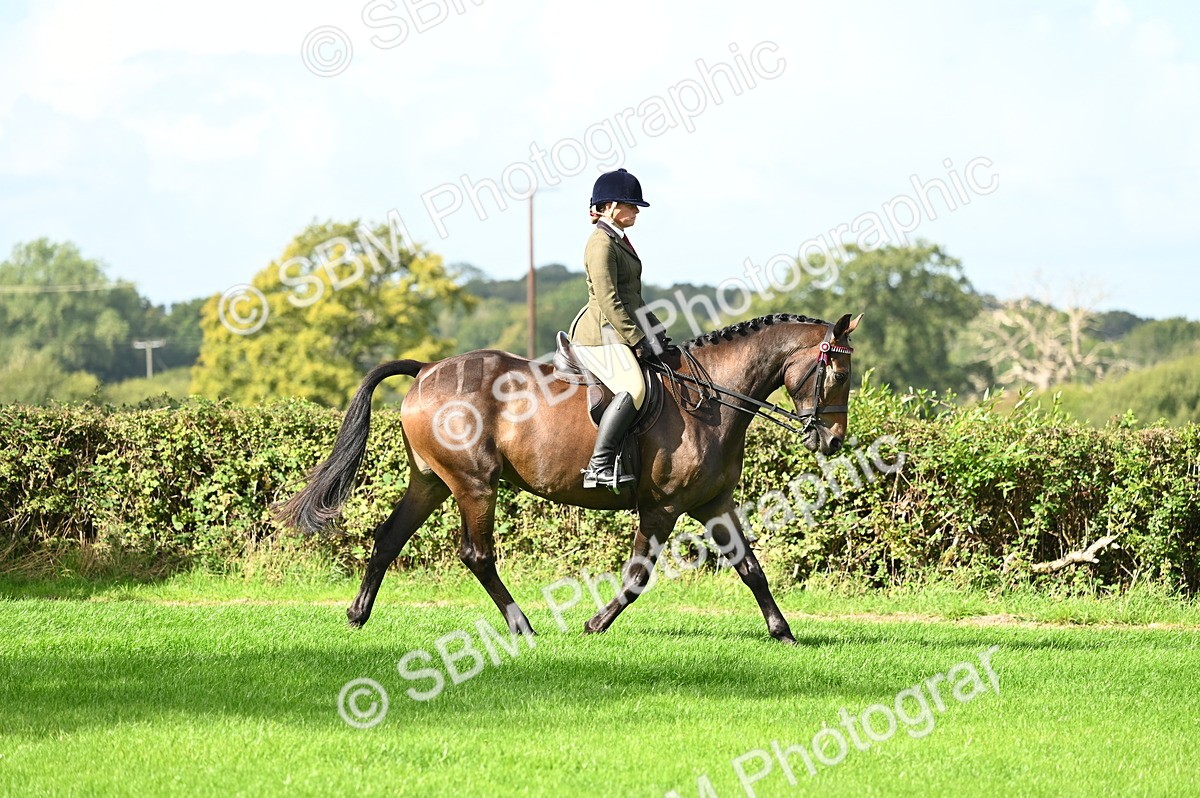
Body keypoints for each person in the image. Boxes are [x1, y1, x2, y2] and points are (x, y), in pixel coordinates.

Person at [568, 167, 667, 491]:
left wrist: (655, 329)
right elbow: (610, 301)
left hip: (618, 329)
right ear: (611, 206)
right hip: (600, 334)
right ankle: (599, 465)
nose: (636, 211)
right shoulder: (601, 243)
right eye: (631, 204)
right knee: (634, 389)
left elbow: (631, 296)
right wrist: (638, 339)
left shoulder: (618, 239)